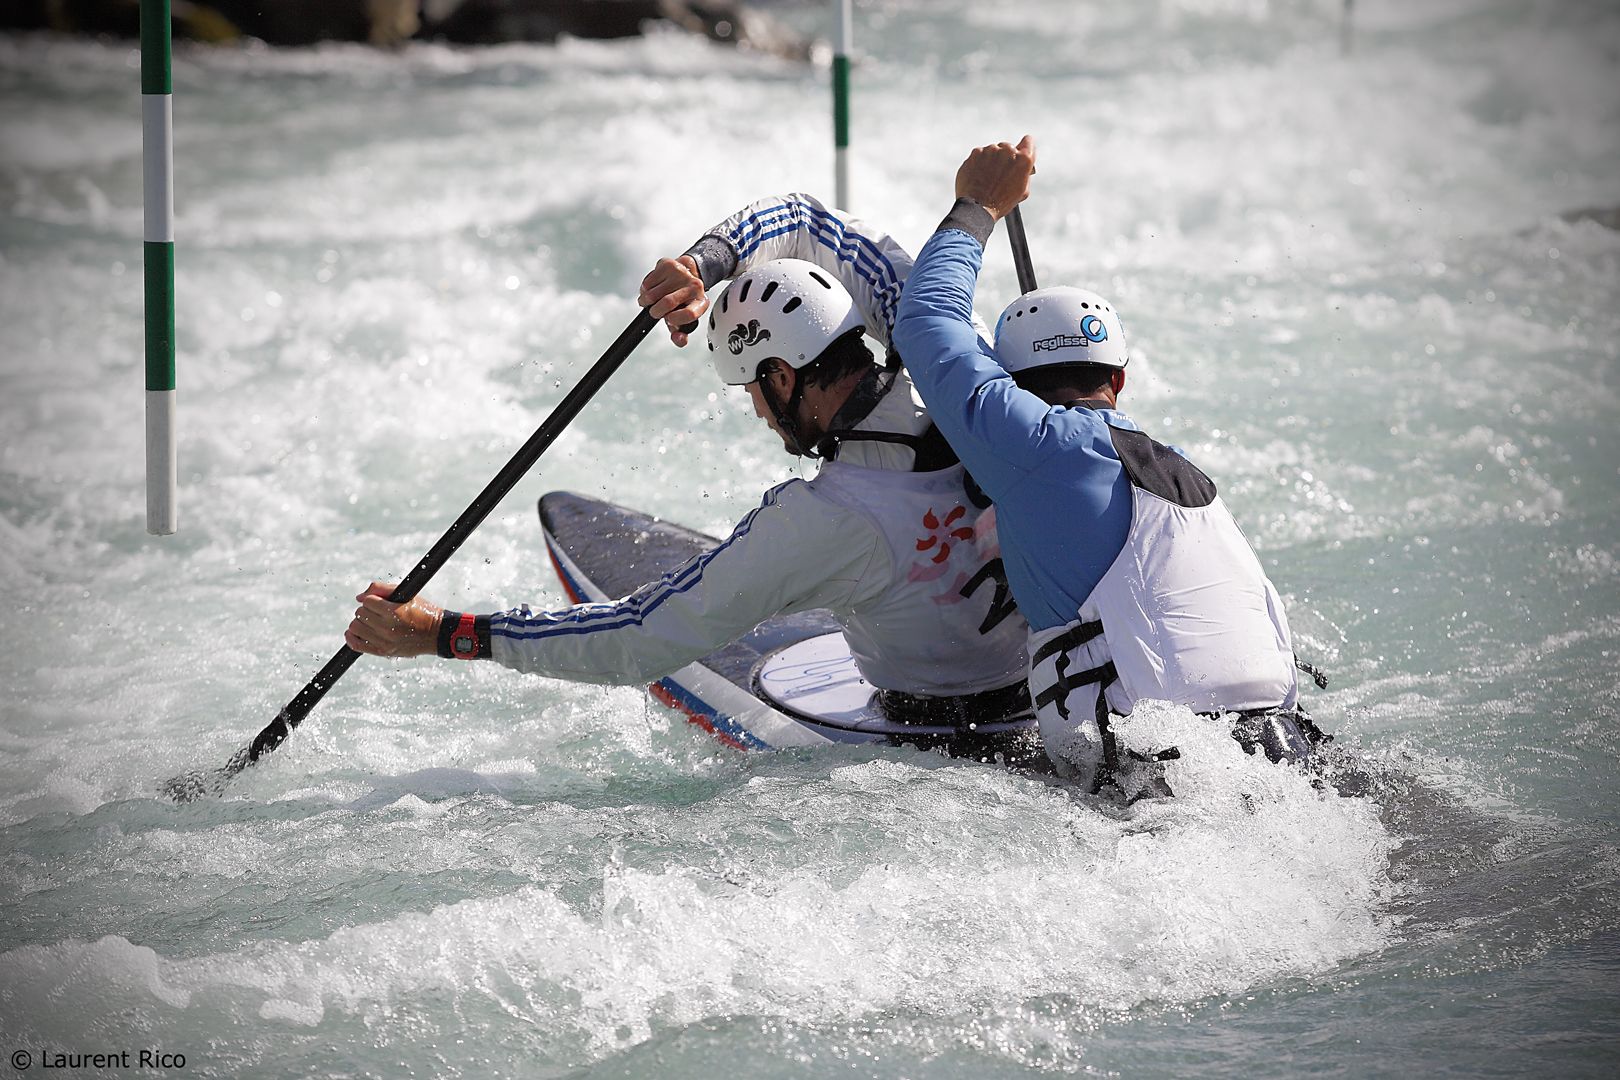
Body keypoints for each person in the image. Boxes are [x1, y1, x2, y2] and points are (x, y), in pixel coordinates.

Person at [345, 194, 1042, 765]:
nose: (761, 416)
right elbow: (812, 221)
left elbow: (638, 637)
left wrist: (443, 633)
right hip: (1052, 696)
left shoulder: (825, 523)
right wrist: (702, 266)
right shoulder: (957, 358)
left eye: (753, 391)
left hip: (937, 745)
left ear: (783, 376)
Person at [892, 137, 1322, 795]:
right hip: (1285, 758)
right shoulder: (1184, 475)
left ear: (1011, 384)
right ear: (1118, 381)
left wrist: (977, 206)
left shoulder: (1037, 444)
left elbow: (924, 322)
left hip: (1159, 778)